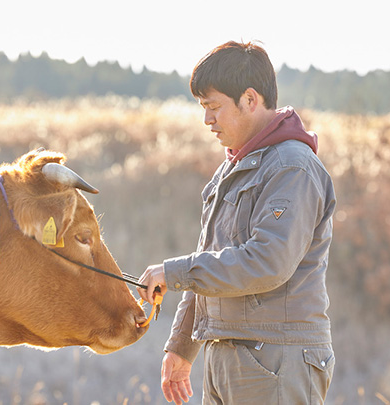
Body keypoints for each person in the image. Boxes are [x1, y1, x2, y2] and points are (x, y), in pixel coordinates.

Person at [137, 40, 336, 405]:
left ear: (249, 99)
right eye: (203, 108)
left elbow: (267, 262)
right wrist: (182, 347)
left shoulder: (292, 168)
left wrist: (174, 272)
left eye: (214, 107)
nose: (207, 120)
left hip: (276, 359)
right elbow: (212, 260)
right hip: (227, 354)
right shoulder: (231, 170)